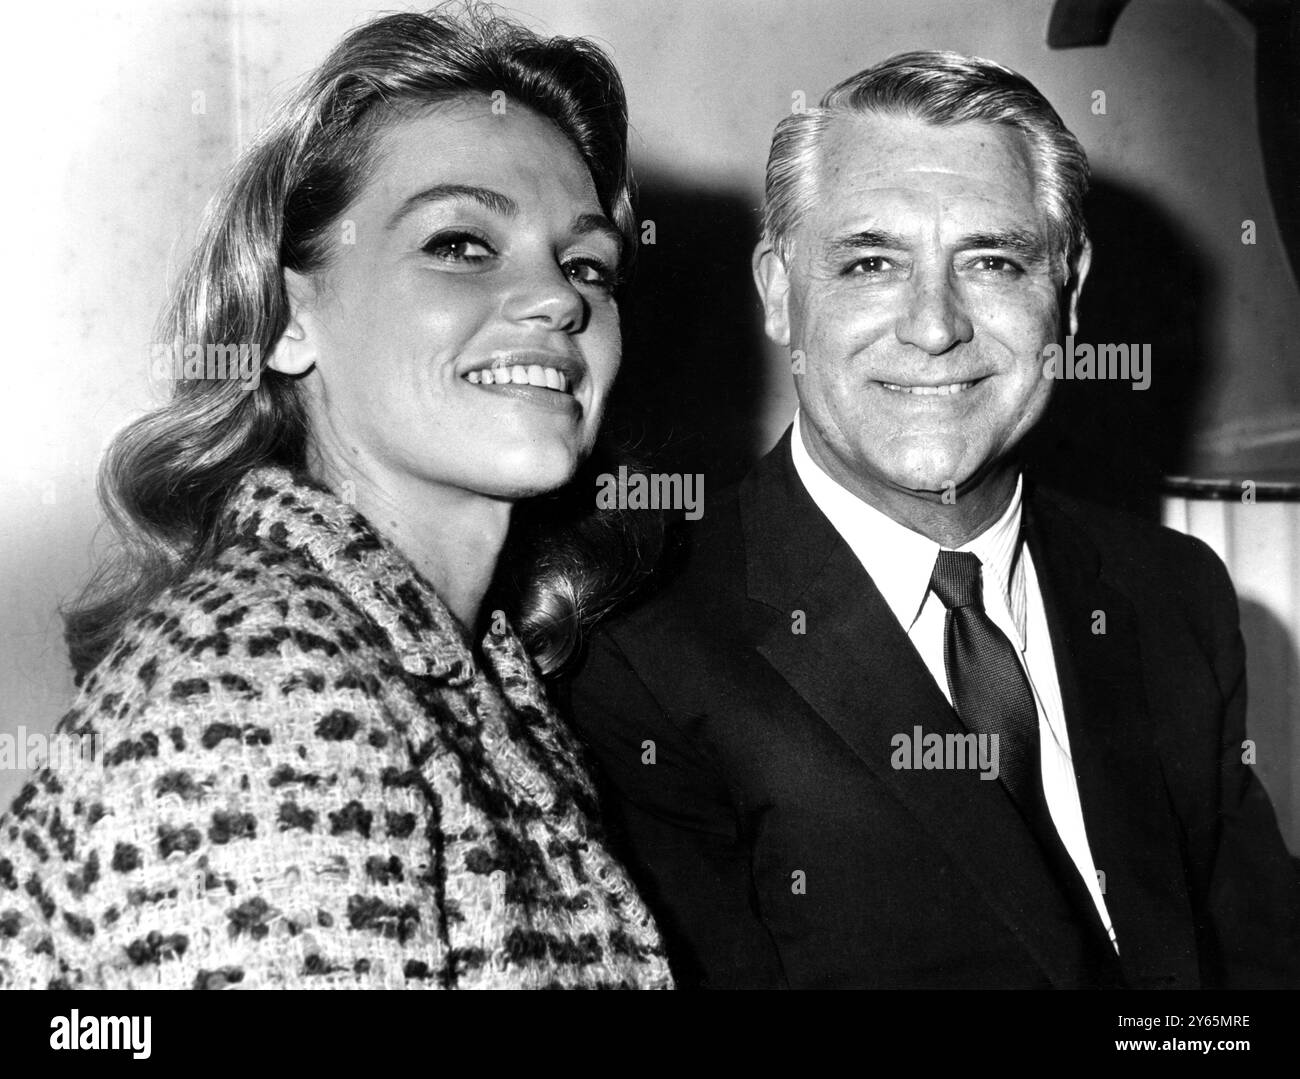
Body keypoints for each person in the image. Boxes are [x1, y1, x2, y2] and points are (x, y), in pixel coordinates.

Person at [566, 51, 1300, 989]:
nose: (934, 326)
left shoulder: (1173, 592)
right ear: (779, 293)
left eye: (992, 261)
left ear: (1068, 293)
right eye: (872, 263)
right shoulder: (637, 645)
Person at [0, 6, 672, 990]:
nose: (557, 297)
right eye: (461, 244)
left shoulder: (463, 672)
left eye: (586, 265)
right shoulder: (267, 677)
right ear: (288, 320)